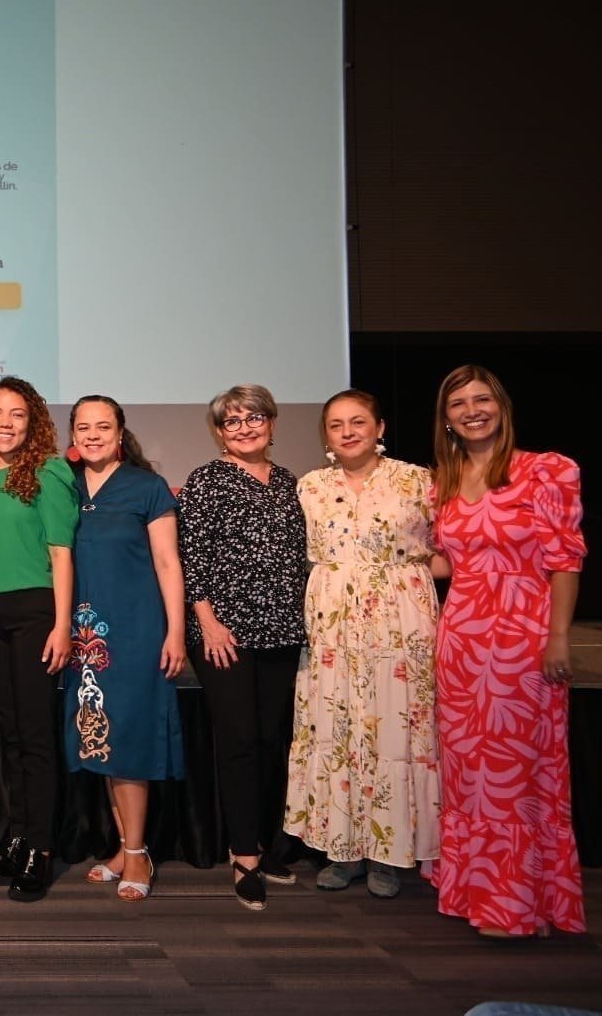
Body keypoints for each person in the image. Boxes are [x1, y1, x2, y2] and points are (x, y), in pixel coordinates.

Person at [430, 364, 586, 938]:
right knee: (469, 770)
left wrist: (560, 636)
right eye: (457, 404)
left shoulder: (546, 470)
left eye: (481, 399)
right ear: (445, 420)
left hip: (523, 635)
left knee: (515, 773)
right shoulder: (441, 481)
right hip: (461, 636)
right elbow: (450, 561)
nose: (471, 410)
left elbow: (565, 559)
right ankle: (474, 891)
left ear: (501, 405)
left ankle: (517, 904)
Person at [286, 389, 440, 899]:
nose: (348, 431)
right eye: (335, 424)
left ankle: (388, 854)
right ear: (325, 435)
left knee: (395, 731)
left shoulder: (418, 481)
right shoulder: (310, 486)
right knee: (336, 726)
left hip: (400, 624)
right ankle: (341, 849)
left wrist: (407, 585)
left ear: (380, 426)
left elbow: (450, 551)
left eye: (358, 421)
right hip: (331, 625)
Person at [177, 384, 307, 911]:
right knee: (238, 741)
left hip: (281, 630)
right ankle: (244, 855)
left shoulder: (289, 482)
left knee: (271, 739)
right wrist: (207, 622)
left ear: (272, 423)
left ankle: (270, 844)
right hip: (224, 635)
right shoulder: (207, 480)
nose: (245, 427)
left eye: (254, 417)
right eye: (232, 421)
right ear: (219, 432)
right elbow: (191, 557)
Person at [65, 395, 186, 902]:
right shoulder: (62, 486)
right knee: (99, 738)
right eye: (83, 426)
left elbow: (167, 562)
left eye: (103, 426)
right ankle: (122, 845)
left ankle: (138, 853)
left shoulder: (147, 486)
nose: (93, 434)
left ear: (120, 431)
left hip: (137, 633)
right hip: (82, 636)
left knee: (131, 741)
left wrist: (175, 631)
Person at [0, 376, 78, 902]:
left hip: (36, 612)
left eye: (16, 415)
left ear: (32, 422)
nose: (4, 424)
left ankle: (42, 848)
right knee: (8, 734)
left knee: (35, 736)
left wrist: (61, 624)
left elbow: (61, 554)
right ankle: (18, 837)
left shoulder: (50, 472)